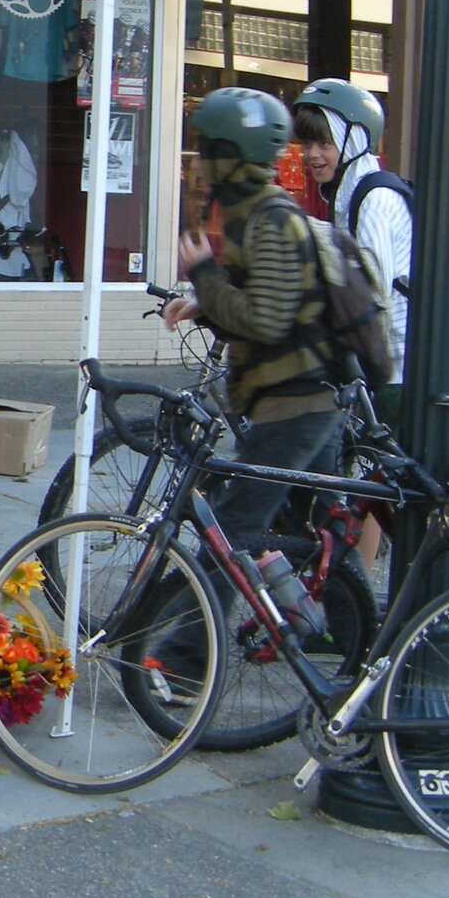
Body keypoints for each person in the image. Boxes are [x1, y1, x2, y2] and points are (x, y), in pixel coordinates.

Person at [162, 86, 336, 569]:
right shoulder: (252, 211)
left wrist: (203, 274)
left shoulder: (270, 218)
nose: (200, 160)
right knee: (318, 534)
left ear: (233, 155)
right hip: (302, 395)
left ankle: (186, 647)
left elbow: (265, 320)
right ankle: (332, 629)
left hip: (296, 401)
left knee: (231, 533)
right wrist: (204, 303)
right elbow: (258, 298)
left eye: (209, 148)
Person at [292, 78, 410, 383]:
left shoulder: (374, 201)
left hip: (395, 369)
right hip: (379, 361)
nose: (312, 154)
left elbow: (371, 291)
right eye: (306, 144)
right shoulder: (349, 195)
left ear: (354, 140)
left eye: (324, 143)